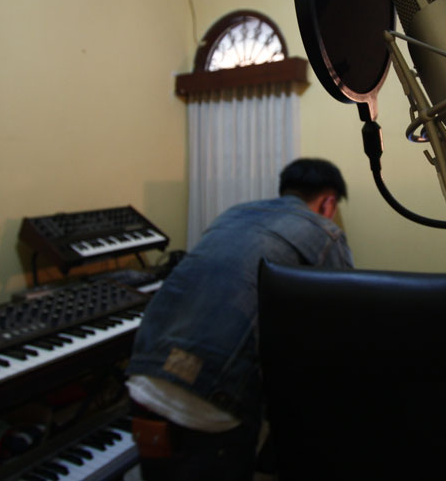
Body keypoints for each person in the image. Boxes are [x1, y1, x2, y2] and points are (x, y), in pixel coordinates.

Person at [125, 158, 353, 480]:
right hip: (213, 397)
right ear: (328, 202)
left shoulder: (233, 214)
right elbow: (342, 324)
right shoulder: (326, 233)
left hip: (144, 374)